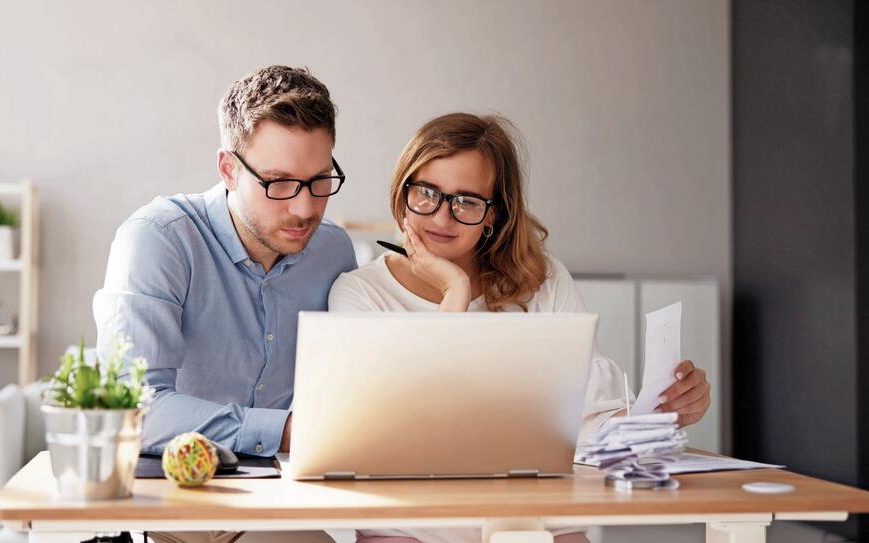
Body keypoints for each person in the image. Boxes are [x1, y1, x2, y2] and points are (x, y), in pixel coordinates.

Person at [328, 112, 712, 543]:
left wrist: (659, 415)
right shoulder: (359, 294)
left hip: (539, 519)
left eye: (467, 202)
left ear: (494, 215)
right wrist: (455, 292)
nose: (441, 218)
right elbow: (396, 428)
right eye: (427, 194)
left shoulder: (543, 282)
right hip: (414, 524)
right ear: (403, 194)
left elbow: (591, 416)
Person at [93, 65, 355, 543]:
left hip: (280, 504)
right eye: (278, 183)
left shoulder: (334, 251)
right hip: (170, 504)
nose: (303, 208)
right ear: (229, 169)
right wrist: (288, 430)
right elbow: (133, 410)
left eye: (319, 181)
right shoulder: (158, 240)